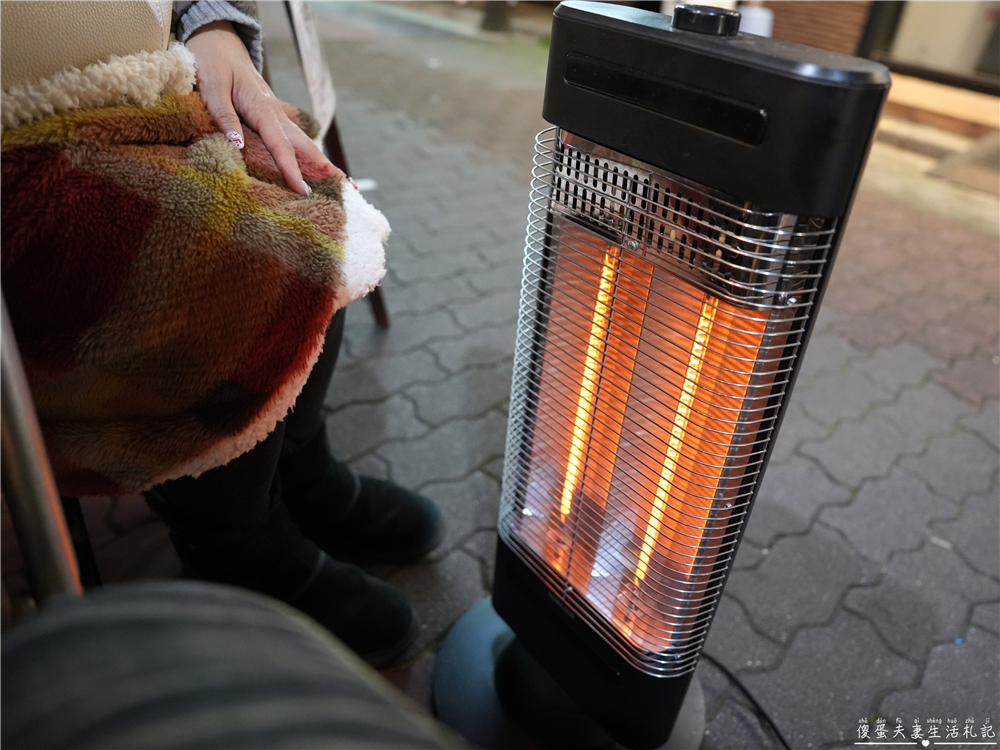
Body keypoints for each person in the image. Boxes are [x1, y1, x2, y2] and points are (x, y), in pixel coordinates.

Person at [1, 0, 442, 668]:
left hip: (143, 81)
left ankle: (299, 470)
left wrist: (216, 28)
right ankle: (232, 542)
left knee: (315, 191)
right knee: (246, 260)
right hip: (23, 131)